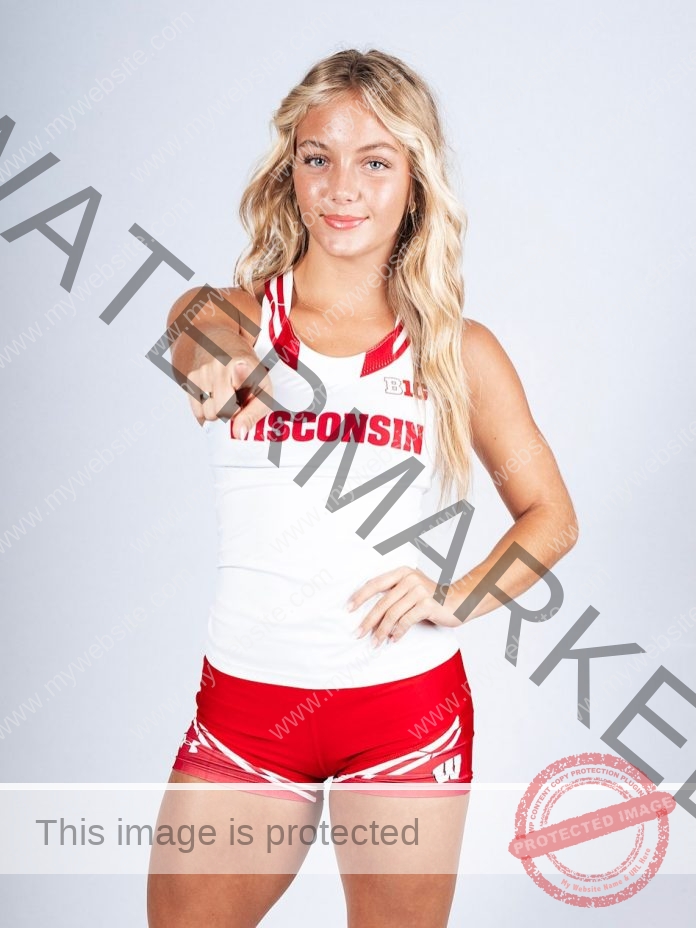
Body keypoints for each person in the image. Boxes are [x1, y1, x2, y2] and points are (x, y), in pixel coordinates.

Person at [147, 48, 578, 928]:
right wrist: (203, 349)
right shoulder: (235, 316)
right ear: (291, 173)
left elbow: (552, 519)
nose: (342, 187)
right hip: (246, 715)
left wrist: (457, 595)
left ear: (414, 183)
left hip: (404, 718)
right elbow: (190, 325)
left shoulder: (457, 351)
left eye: (375, 162)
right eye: (318, 158)